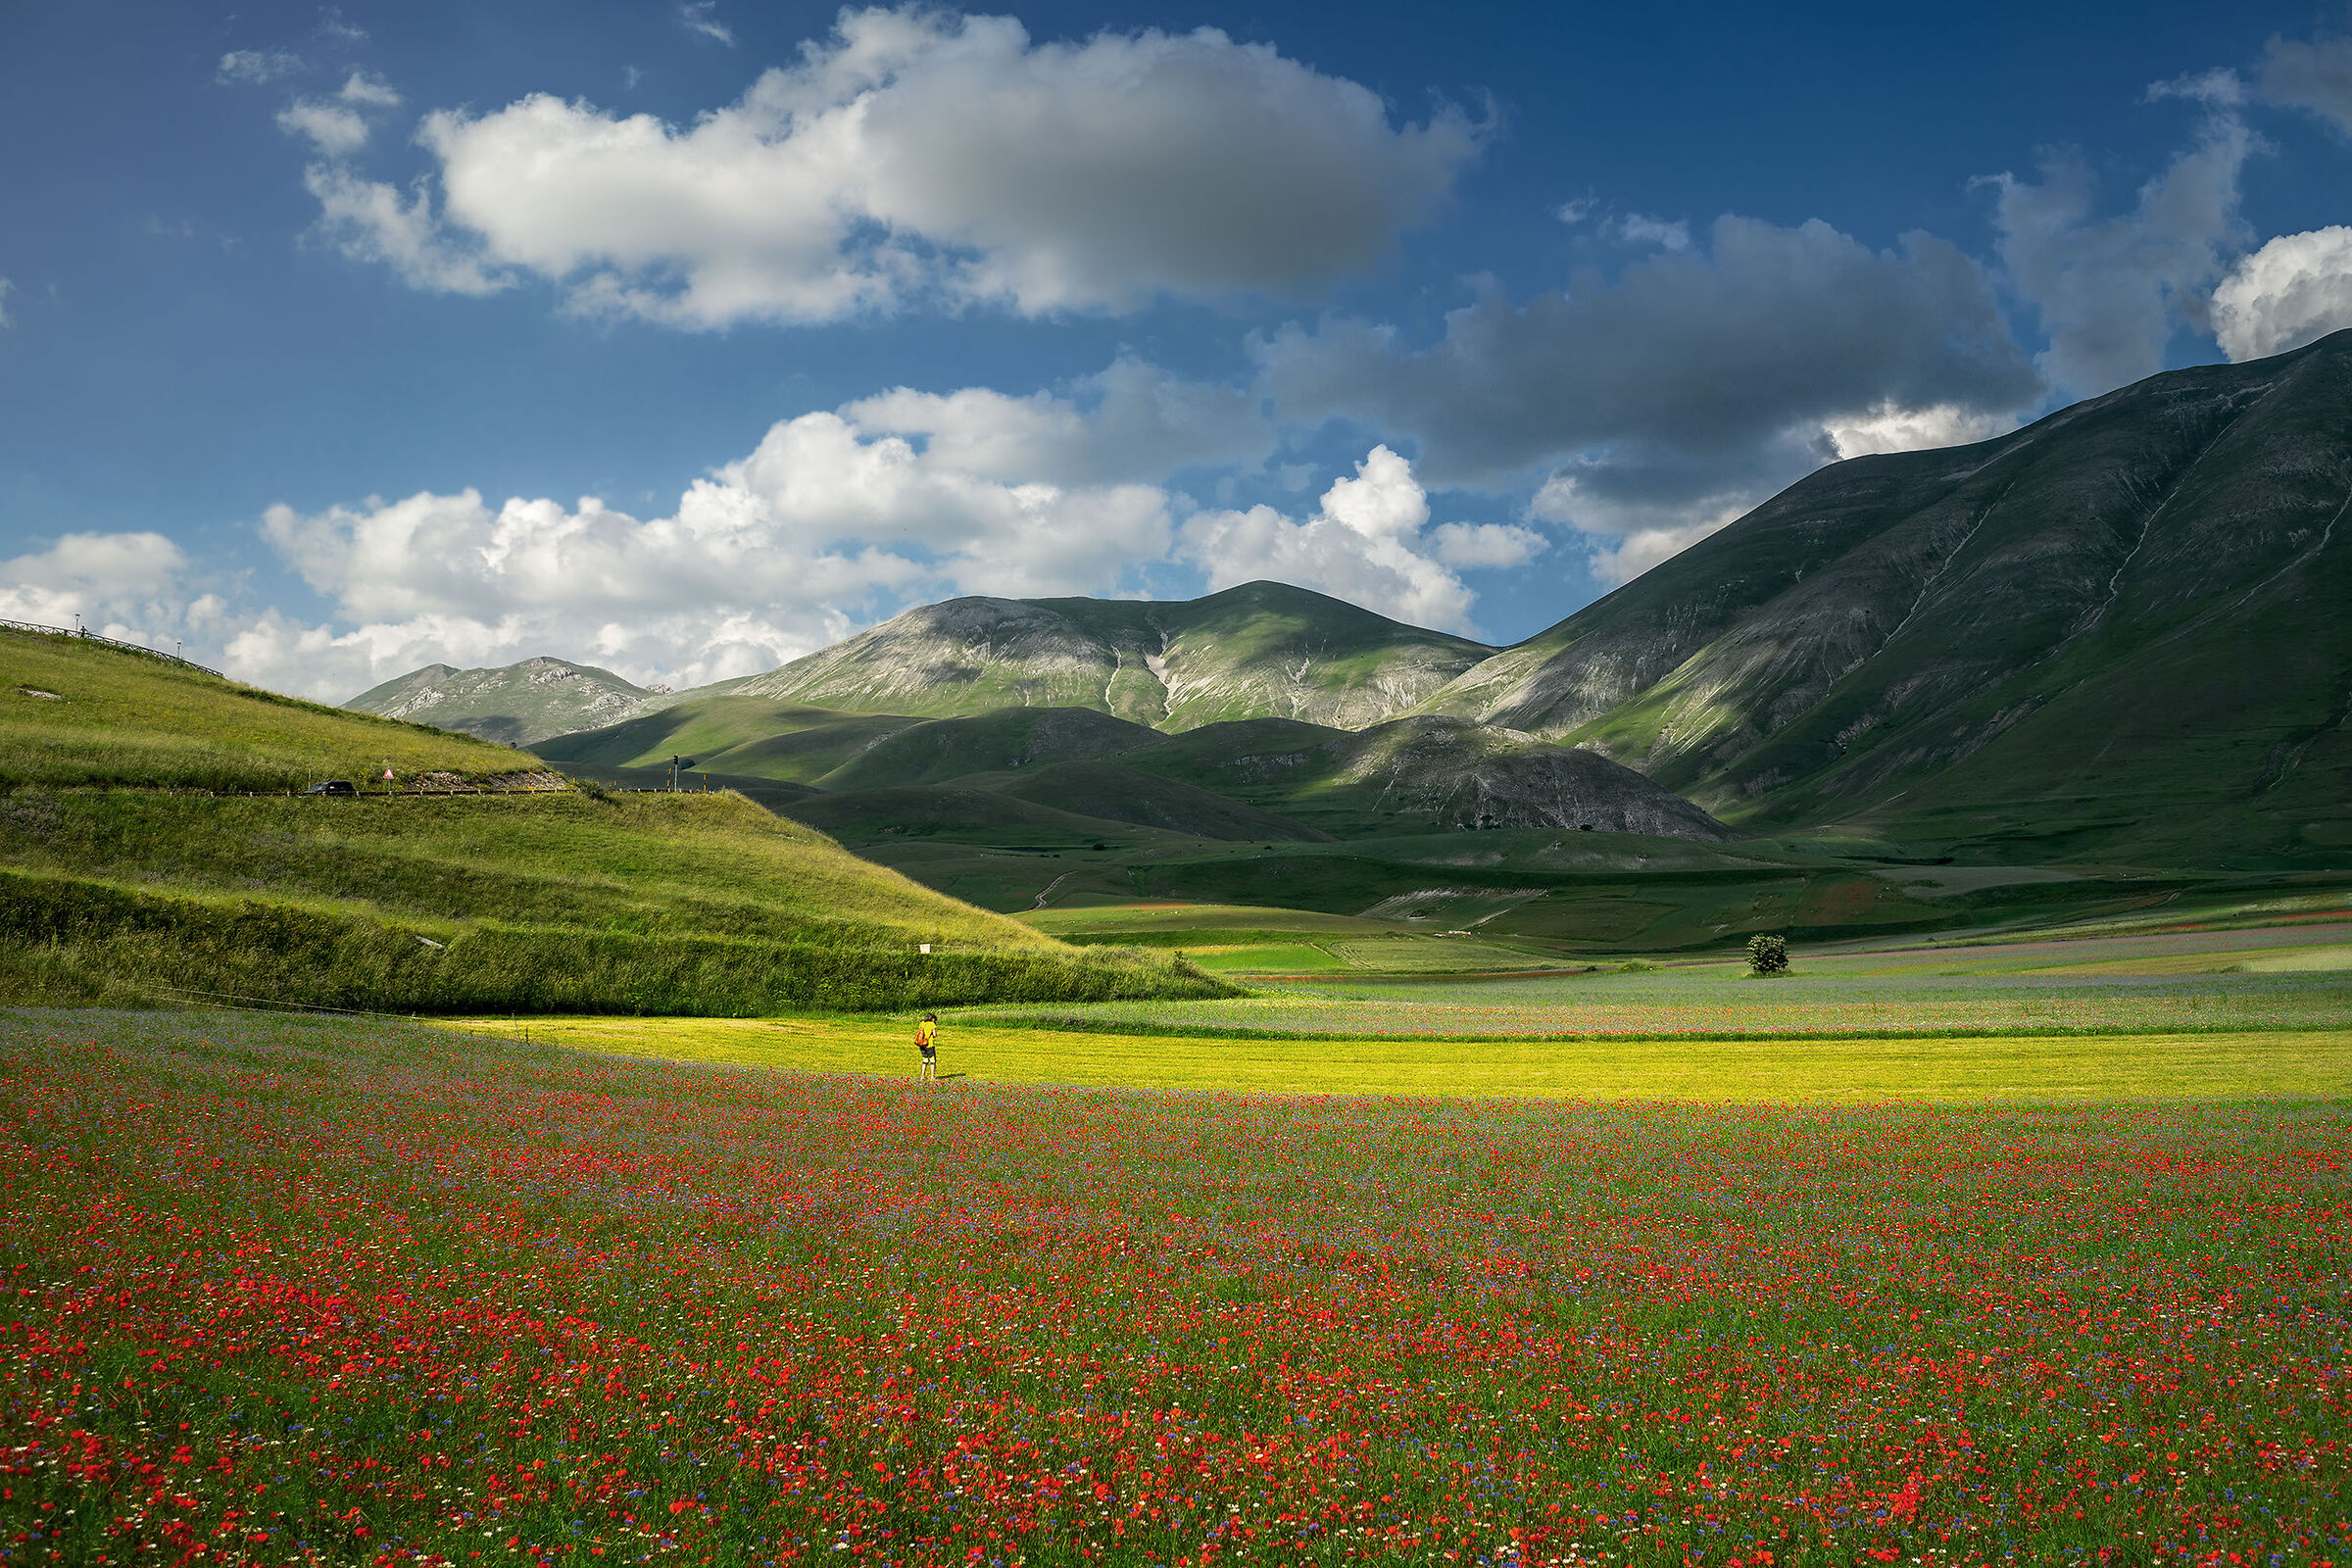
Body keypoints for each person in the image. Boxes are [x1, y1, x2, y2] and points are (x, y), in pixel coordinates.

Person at [915, 1011, 939, 1083]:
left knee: (925, 1059)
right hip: (929, 1044)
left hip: (921, 1044)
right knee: (932, 1060)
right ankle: (932, 1076)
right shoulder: (932, 1024)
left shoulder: (922, 1023)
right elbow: (934, 1035)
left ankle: (922, 1076)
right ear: (933, 1019)